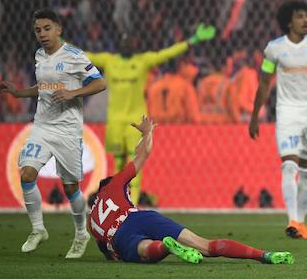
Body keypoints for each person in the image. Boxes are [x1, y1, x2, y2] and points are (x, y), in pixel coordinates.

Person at [89, 116, 293, 265]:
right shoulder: (115, 184)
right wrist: (147, 133)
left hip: (119, 236)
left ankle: (164, 246)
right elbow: (142, 154)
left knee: (143, 250)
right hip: (141, 218)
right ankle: (263, 255)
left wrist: (112, 253)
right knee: (205, 245)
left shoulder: (92, 222)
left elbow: (107, 249)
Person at [0, 9, 107, 258]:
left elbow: (100, 83)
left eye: (47, 28)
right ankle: (38, 229)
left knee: (70, 188)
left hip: (68, 130)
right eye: (38, 30)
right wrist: (19, 93)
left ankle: (81, 233)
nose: (42, 34)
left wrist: (73, 93)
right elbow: (43, 88)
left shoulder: (74, 56)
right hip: (42, 126)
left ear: (59, 29)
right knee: (27, 173)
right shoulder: (39, 56)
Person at [86, 24, 216, 204]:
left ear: (135, 44)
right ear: (119, 44)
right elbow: (84, 55)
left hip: (135, 122)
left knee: (136, 162)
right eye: (124, 41)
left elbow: (167, 54)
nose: (127, 45)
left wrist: (192, 40)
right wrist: (59, 43)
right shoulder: (109, 61)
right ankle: (119, 203)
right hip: (115, 122)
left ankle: (133, 204)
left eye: (130, 41)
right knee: (117, 164)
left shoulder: (142, 61)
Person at [249, 1, 307, 240]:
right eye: (300, 16)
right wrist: (255, 115)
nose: (306, 20)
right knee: (289, 165)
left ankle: (300, 222)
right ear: (289, 21)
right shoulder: (274, 49)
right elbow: (264, 83)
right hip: (287, 112)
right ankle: (291, 220)